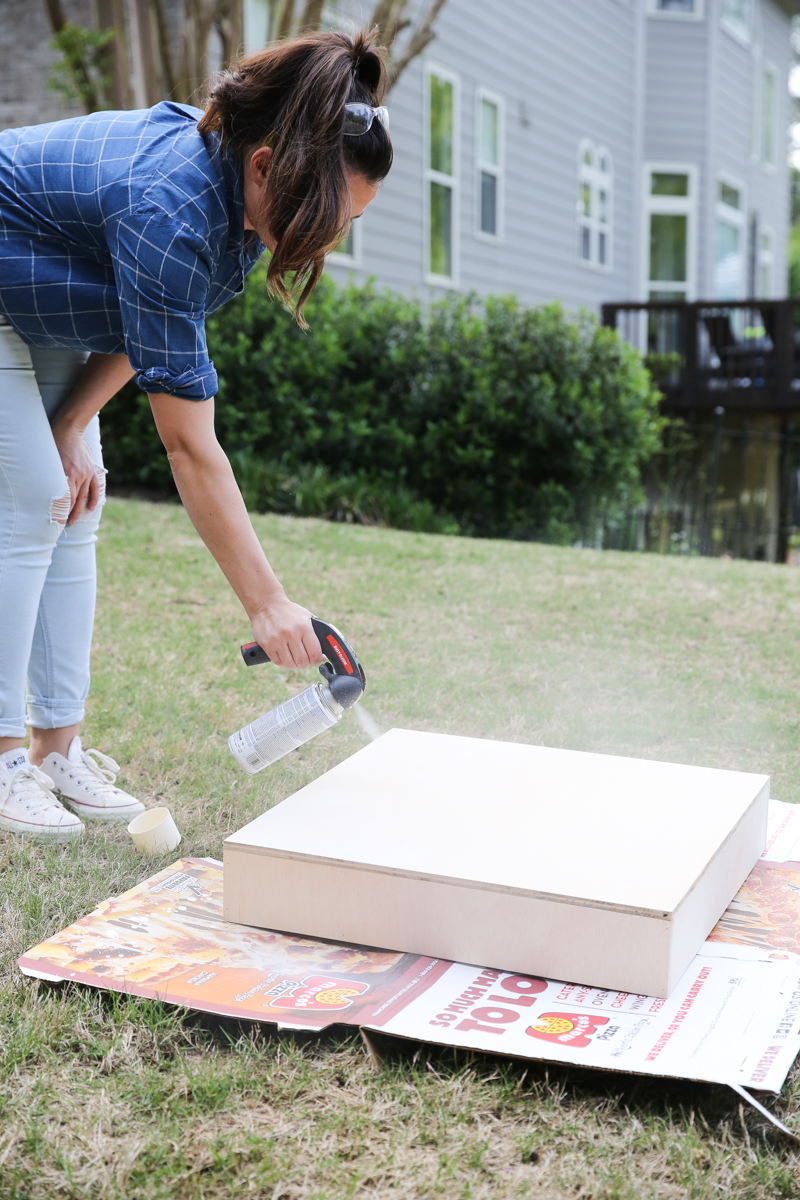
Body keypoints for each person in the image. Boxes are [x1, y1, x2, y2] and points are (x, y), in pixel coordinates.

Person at [0, 30, 392, 841]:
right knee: (33, 497)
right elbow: (188, 447)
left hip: (37, 314)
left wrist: (72, 421)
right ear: (264, 166)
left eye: (347, 219)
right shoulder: (174, 206)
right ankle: (4, 762)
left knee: (76, 500)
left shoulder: (239, 217)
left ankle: (53, 752)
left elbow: (146, 322)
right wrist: (267, 603)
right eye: (329, 214)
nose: (331, 238)